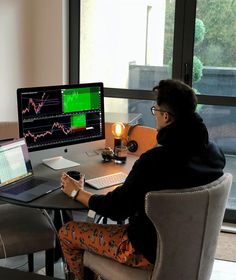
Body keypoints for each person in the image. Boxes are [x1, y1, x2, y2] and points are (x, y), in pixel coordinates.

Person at [59, 79, 225, 280]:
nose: (154, 115)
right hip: (187, 247)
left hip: (145, 250)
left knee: (68, 232)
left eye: (155, 110)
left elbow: (117, 208)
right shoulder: (214, 154)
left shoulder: (154, 161)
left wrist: (77, 192)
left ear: (166, 116)